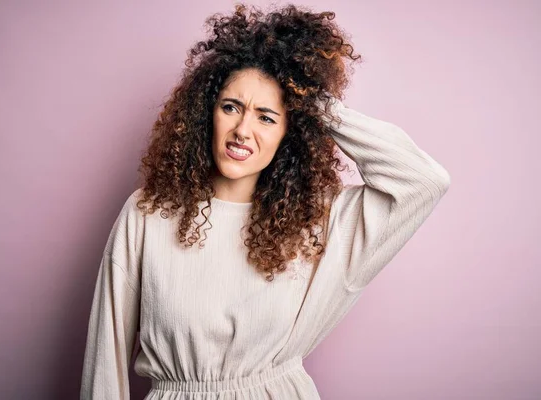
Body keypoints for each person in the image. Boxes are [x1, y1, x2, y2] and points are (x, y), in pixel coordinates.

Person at [80, 4, 451, 399]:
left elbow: (423, 181)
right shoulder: (148, 213)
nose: (243, 130)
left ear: (289, 134)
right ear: (208, 113)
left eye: (267, 117)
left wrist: (314, 104)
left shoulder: (319, 225)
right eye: (231, 107)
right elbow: (106, 358)